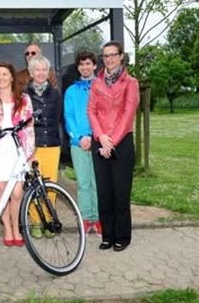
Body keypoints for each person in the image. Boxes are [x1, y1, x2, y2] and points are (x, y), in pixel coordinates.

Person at [87, 41, 139, 252]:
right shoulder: (96, 83)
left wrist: (112, 141)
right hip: (100, 143)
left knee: (120, 192)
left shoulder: (131, 83)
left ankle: (122, 236)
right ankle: (107, 235)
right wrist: (101, 137)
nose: (108, 59)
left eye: (112, 55)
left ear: (121, 56)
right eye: (105, 56)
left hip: (122, 143)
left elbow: (128, 114)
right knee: (104, 193)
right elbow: (91, 111)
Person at [0, 62, 34, 247]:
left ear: (12, 76)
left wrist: (29, 154)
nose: (1, 78)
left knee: (17, 193)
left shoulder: (24, 99)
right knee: (2, 192)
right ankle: (9, 230)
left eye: (5, 74)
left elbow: (29, 127)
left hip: (17, 150)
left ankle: (17, 227)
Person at [23, 54, 63, 238]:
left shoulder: (55, 93)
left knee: (50, 184)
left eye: (44, 70)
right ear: (31, 72)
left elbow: (59, 118)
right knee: (32, 184)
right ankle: (36, 221)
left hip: (52, 144)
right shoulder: (24, 95)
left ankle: (49, 219)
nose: (40, 73)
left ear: (48, 73)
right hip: (32, 145)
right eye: (37, 69)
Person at [63, 50, 101, 237]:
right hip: (78, 143)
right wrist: (79, 138)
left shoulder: (102, 87)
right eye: (81, 64)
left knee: (98, 182)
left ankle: (99, 219)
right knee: (84, 183)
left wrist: (94, 137)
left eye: (88, 63)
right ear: (78, 68)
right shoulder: (71, 90)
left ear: (94, 65)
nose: (85, 67)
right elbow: (68, 116)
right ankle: (86, 219)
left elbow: (104, 115)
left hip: (98, 141)